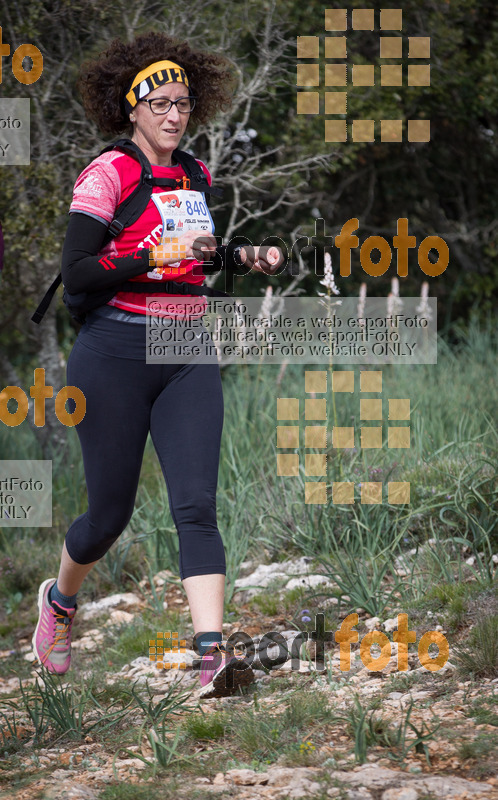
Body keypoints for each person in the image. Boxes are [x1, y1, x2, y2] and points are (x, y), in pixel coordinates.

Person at [31, 32, 283, 699]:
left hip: (187, 350)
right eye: (162, 104)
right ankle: (59, 604)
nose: (175, 115)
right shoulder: (106, 173)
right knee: (107, 516)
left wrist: (239, 257)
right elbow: (78, 274)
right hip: (112, 353)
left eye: (183, 104)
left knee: (196, 505)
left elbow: (192, 255)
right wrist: (151, 256)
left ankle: (212, 656)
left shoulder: (195, 174)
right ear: (133, 109)